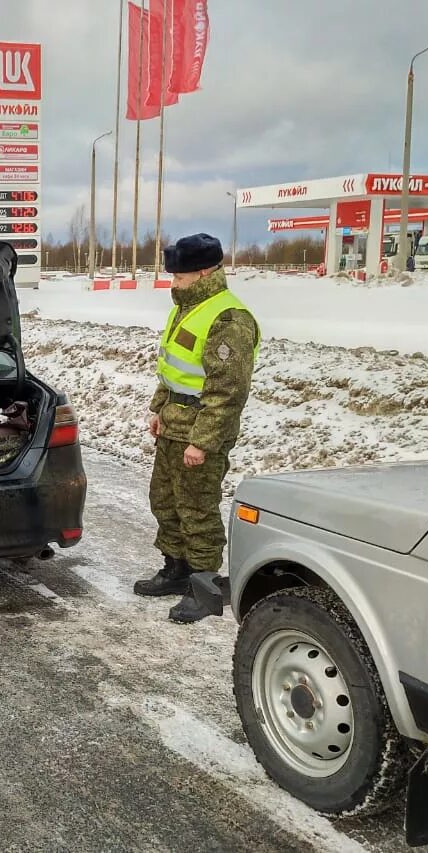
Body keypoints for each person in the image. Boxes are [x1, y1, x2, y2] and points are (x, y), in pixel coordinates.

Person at [134, 233, 260, 624]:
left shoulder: (228, 318)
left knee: (197, 510)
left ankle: (205, 588)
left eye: (181, 277)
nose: (174, 283)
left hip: (200, 432)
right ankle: (176, 570)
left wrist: (203, 442)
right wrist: (159, 409)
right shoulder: (188, 308)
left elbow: (227, 391)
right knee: (166, 501)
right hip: (174, 424)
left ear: (205, 272)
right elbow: (173, 371)